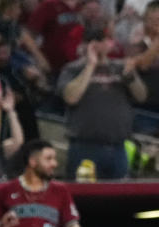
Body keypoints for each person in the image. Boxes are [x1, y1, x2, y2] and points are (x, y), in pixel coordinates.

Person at [58, 24, 147, 179]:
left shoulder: (121, 67)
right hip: (85, 147)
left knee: (118, 198)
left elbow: (141, 96)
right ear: (88, 44)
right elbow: (71, 97)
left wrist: (130, 77)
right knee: (83, 198)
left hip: (118, 147)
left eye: (106, 39)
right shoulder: (72, 69)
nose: (104, 44)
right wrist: (90, 65)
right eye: (98, 40)